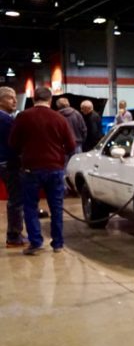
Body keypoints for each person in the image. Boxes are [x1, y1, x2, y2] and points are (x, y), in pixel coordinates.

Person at [9, 86, 76, 254]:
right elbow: (71, 145)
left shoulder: (23, 117)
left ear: (33, 99)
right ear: (50, 100)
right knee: (56, 207)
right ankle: (58, 244)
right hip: (55, 168)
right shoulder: (59, 119)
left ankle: (36, 242)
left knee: (30, 207)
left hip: (31, 168)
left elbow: (13, 143)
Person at [0, 86, 25, 247]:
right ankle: (14, 236)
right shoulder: (6, 120)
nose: (15, 100)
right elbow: (16, 142)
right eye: (10, 97)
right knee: (16, 200)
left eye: (15, 97)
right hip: (8, 163)